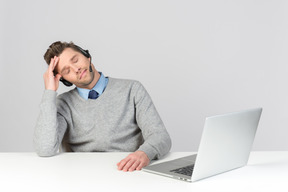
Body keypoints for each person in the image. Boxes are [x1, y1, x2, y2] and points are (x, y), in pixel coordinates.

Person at [34, 41, 172, 172]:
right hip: (80, 178)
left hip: (128, 173)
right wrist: (49, 92)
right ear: (65, 80)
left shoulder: (132, 89)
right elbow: (45, 149)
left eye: (75, 60)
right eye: (67, 71)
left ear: (87, 56)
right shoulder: (62, 103)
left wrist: (144, 153)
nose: (76, 69)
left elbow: (160, 136)